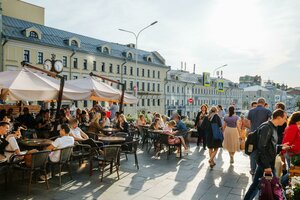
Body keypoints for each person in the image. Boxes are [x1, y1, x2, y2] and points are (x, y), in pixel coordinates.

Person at [244, 109, 288, 200]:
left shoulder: (273, 127)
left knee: (258, 185)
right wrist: (267, 166)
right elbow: (262, 148)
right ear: (279, 117)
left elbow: (270, 146)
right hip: (265, 163)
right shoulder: (267, 127)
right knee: (260, 186)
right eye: (285, 118)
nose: (286, 120)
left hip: (268, 162)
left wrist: (280, 147)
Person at [247, 97, 272, 175]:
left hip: (253, 134)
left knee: (252, 152)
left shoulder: (251, 111)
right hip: (263, 135)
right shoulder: (268, 111)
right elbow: (270, 122)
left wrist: (252, 129)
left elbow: (248, 123)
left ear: (257, 103)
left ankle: (252, 170)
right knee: (263, 152)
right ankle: (260, 170)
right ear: (264, 104)